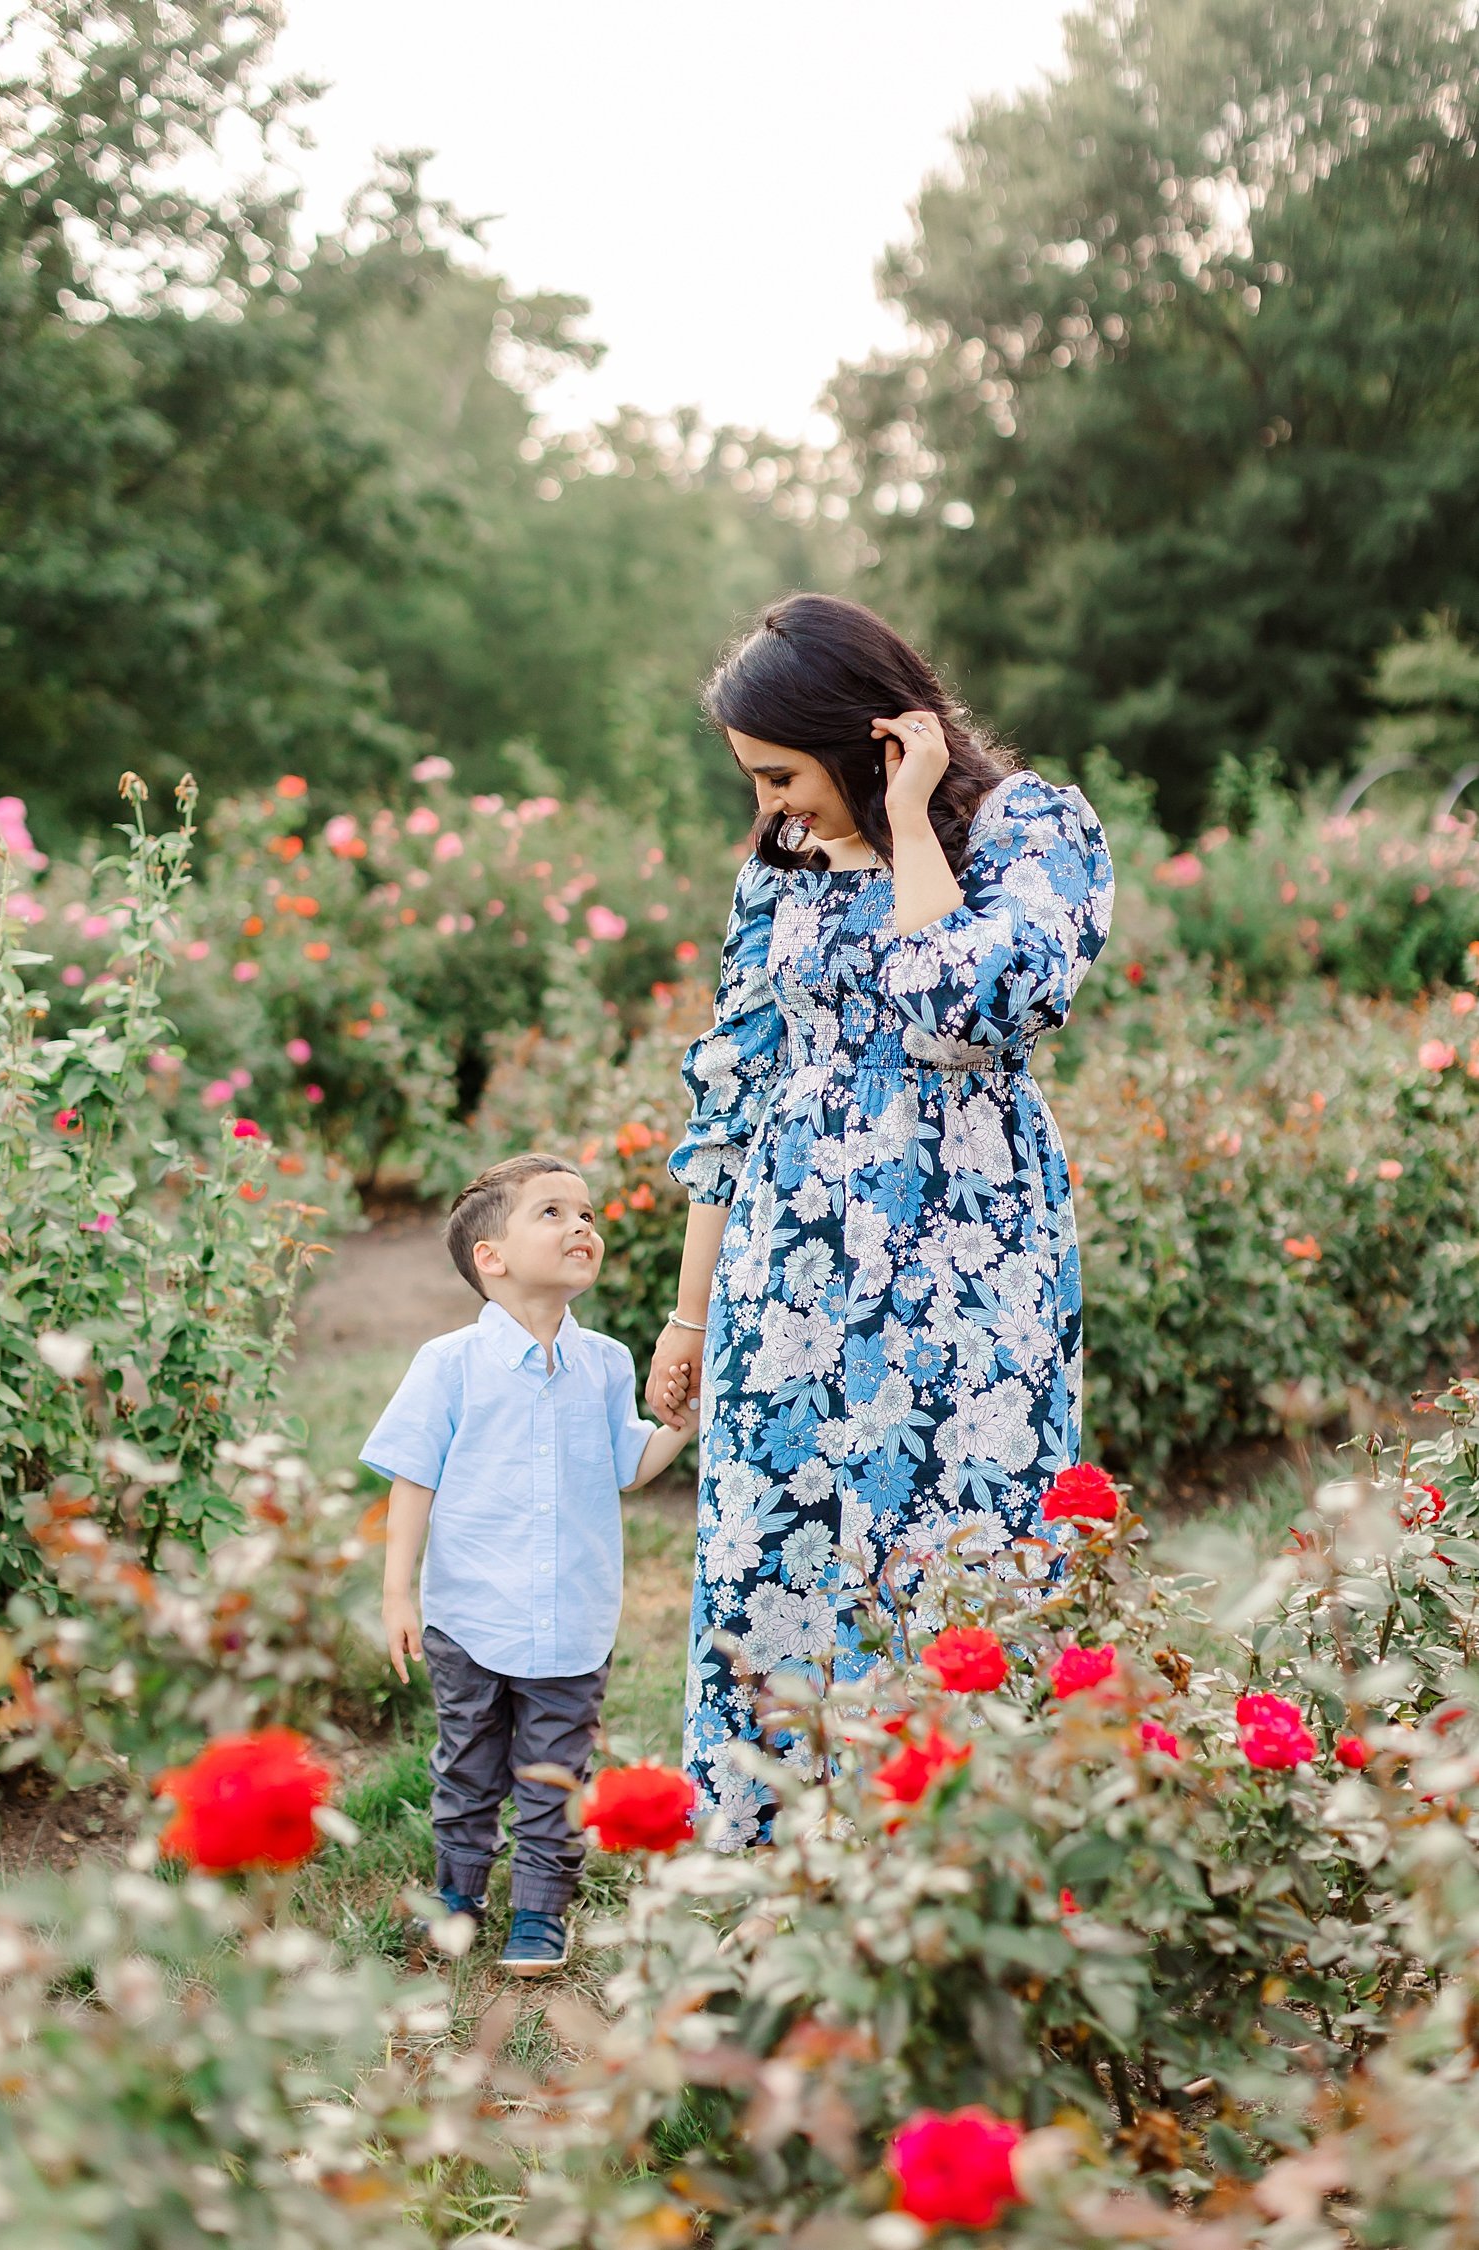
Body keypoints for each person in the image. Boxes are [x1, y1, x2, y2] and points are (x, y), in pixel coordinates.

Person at [643, 593, 1114, 1848]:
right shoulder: (777, 881)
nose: (772, 806)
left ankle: (957, 1851)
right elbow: (731, 1101)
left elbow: (967, 1011)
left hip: (966, 1255)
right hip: (787, 1270)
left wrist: (905, 824)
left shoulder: (1028, 830)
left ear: (866, 740)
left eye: (785, 774)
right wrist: (688, 1316)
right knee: (776, 1540)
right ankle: (783, 1864)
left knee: (960, 1531)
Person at [365, 1153, 696, 1973]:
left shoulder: (609, 1363)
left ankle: (541, 1912)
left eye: (587, 1213)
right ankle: (458, 1894)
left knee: (554, 1771)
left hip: (572, 1616)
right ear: (492, 1256)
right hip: (468, 1614)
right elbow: (414, 1481)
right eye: (553, 1213)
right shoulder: (448, 1366)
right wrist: (397, 1592)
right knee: (468, 1765)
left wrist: (678, 1429)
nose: (582, 1226)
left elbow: (628, 1463)